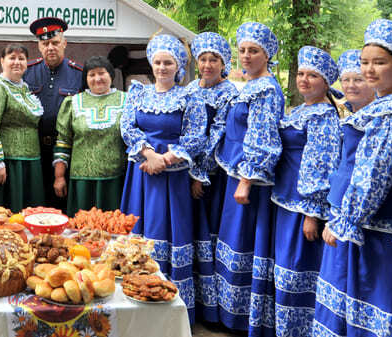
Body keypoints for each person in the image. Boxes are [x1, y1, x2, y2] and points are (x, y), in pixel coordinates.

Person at [314, 19, 392, 337]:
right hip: (363, 222)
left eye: (380, 62)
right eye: (365, 62)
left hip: (368, 228)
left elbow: (373, 174)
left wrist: (345, 221)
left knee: (363, 306)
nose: (369, 70)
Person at [120, 34, 207, 323]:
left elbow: (196, 136)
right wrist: (148, 155)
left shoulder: (189, 97)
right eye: (157, 62)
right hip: (142, 176)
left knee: (170, 233)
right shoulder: (137, 93)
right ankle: (134, 304)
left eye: (167, 62)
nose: (161, 67)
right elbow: (128, 127)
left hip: (173, 180)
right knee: (139, 232)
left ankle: (170, 312)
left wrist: (165, 159)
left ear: (178, 65)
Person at [212, 22, 285, 336]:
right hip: (235, 174)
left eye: (253, 51)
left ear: (267, 55)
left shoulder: (267, 88)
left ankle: (246, 319)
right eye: (242, 50)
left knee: (245, 243)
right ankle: (231, 316)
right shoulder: (251, 85)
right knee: (233, 242)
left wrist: (247, 179)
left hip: (249, 181)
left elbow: (263, 136)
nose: (246, 56)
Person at [271, 46, 342, 336]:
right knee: (286, 271)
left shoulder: (324, 116)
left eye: (312, 75)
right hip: (286, 200)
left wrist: (312, 212)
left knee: (298, 272)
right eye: (301, 73)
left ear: (326, 82)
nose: (304, 80)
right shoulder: (301, 110)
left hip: (303, 206)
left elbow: (323, 166)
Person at [185, 32, 240, 326]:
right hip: (185, 168)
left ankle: (211, 309)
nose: (207, 64)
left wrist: (199, 173)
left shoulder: (228, 93)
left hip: (211, 175)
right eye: (203, 59)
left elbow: (217, 135)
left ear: (223, 62)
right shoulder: (192, 88)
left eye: (213, 59)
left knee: (207, 233)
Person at [53, 56, 128, 214]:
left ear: (111, 75)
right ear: (85, 78)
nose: (97, 78)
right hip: (81, 180)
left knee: (113, 227)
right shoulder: (73, 102)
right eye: (91, 75)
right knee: (82, 229)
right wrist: (59, 177)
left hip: (114, 179)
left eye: (102, 73)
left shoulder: (127, 100)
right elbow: (63, 142)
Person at [24, 17, 85, 209]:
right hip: (34, 150)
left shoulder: (80, 74)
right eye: (45, 43)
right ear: (39, 47)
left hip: (67, 152)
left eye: (55, 43)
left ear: (64, 43)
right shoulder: (26, 72)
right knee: (33, 204)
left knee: (62, 205)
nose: (50, 47)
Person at [0, 43, 45, 210]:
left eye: (21, 58)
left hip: (30, 162)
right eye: (12, 58)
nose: (17, 62)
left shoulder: (24, 88)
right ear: (2, 61)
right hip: (8, 163)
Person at [337, 48, 374, 115]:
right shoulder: (339, 114)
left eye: (358, 80)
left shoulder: (384, 115)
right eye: (346, 80)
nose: (351, 85)